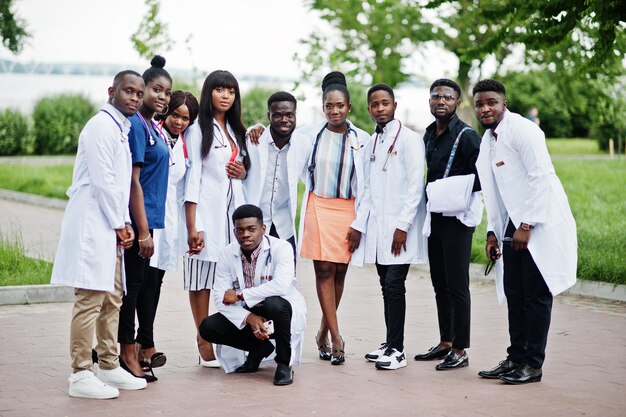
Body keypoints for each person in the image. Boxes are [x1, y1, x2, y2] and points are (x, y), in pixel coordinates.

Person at [51, 70, 148, 399]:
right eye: (128, 92)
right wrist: (121, 223)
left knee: (113, 298)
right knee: (90, 298)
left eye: (139, 93)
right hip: (94, 223)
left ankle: (108, 365)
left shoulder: (120, 128)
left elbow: (118, 184)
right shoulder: (100, 127)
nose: (134, 98)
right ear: (112, 91)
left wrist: (124, 223)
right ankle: (80, 373)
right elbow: (104, 181)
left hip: (110, 225)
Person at [473, 79, 577, 384]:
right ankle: (515, 357)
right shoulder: (488, 140)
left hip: (537, 222)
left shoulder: (524, 131)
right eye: (480, 103)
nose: (485, 108)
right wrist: (493, 232)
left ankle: (532, 364)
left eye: (491, 102)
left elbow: (540, 177)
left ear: (504, 103)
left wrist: (527, 225)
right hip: (511, 223)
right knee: (514, 292)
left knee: (535, 295)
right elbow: (492, 191)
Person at [299, 71, 371, 365]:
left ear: (349, 107)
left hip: (348, 210)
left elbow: (367, 185)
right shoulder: (309, 134)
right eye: (329, 106)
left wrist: (359, 223)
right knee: (324, 271)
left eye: (340, 106)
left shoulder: (362, 139)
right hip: (319, 205)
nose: (334, 111)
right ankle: (337, 338)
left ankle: (322, 331)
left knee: (340, 273)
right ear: (323, 106)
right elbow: (279, 140)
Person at [414, 79, 482, 371]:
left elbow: (483, 178)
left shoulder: (467, 136)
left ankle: (460, 348)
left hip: (457, 218)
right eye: (435, 97)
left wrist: (452, 189)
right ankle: (445, 342)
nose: (440, 101)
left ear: (457, 103)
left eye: (447, 97)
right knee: (439, 282)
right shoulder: (429, 135)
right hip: (435, 216)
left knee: (457, 284)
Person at [184, 70, 250, 367]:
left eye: (231, 91)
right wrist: (192, 226)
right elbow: (192, 178)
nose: (225, 96)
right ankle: (203, 339)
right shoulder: (198, 129)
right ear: (208, 93)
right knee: (201, 280)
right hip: (205, 218)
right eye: (220, 90)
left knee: (228, 278)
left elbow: (240, 169)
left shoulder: (236, 129)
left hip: (231, 219)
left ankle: (227, 337)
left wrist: (244, 171)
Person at [198, 204, 306, 385]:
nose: (245, 234)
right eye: (240, 230)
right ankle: (259, 348)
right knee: (208, 327)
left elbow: (281, 285)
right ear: (234, 232)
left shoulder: (282, 248)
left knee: (274, 304)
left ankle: (284, 364)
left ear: (263, 229)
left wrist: (240, 295)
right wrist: (249, 317)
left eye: (251, 229)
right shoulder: (227, 253)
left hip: (278, 310)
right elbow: (220, 297)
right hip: (247, 311)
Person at [361, 83, 428, 370]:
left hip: (400, 228)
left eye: (384, 103)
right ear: (369, 109)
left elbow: (416, 185)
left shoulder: (411, 140)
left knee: (394, 285)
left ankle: (398, 350)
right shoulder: (372, 142)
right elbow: (367, 186)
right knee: (384, 285)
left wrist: (403, 225)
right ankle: (390, 342)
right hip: (379, 228)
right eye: (375, 105)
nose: (380, 109)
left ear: (394, 105)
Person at [118, 55, 172, 382]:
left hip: (150, 220)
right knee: (132, 288)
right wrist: (141, 231)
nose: (162, 97)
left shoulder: (153, 125)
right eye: (156, 89)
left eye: (167, 91)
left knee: (142, 286)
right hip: (139, 221)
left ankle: (138, 347)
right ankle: (127, 353)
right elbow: (132, 180)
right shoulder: (137, 124)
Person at [145, 91, 200, 370]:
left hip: (168, 225)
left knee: (155, 285)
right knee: (138, 286)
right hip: (146, 219)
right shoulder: (151, 135)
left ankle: (146, 345)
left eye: (185, 118)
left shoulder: (184, 144)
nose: (179, 122)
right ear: (166, 113)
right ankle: (132, 345)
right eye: (175, 115)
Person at [243, 91, 312, 258]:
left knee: (287, 277)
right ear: (269, 116)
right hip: (253, 222)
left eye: (289, 115)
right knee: (251, 278)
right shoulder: (253, 141)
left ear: (296, 115)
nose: (284, 120)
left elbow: (310, 177)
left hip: (284, 224)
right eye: (277, 115)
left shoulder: (304, 146)